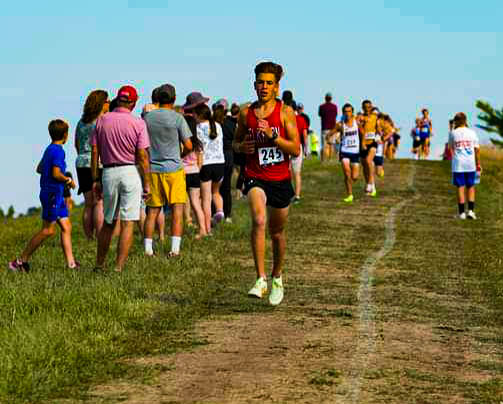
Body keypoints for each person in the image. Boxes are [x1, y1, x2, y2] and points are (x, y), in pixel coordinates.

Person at [233, 61, 300, 306]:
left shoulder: (285, 112)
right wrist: (242, 147)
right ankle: (260, 278)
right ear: (254, 84)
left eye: (269, 83)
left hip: (280, 180)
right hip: (255, 176)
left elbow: (295, 149)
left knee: (277, 233)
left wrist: (274, 137)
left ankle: (277, 277)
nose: (264, 86)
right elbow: (235, 143)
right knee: (259, 220)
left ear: (277, 87)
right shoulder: (245, 112)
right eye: (260, 82)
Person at [90, 85, 151, 272]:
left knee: (108, 222)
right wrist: (147, 183)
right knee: (128, 222)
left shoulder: (101, 121)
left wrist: (96, 179)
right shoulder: (138, 123)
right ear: (133, 102)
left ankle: (99, 264)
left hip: (108, 172)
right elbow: (142, 156)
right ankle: (118, 267)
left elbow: (95, 151)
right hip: (130, 172)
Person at [9, 119, 79, 272]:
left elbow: (39, 168)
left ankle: (71, 264)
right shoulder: (59, 151)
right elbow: (56, 173)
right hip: (52, 194)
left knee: (66, 226)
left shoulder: (49, 149)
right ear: (65, 135)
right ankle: (19, 262)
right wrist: (68, 180)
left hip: (56, 194)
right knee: (48, 230)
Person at [143, 84, 193, 257]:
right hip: (174, 169)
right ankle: (175, 249)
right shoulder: (178, 118)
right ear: (173, 98)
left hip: (154, 168)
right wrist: (180, 154)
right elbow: (189, 145)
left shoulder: (147, 118)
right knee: (177, 209)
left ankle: (148, 250)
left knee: (153, 211)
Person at [75, 89, 109, 240]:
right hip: (97, 163)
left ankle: (89, 237)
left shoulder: (81, 122)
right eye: (107, 101)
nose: (109, 104)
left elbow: (76, 143)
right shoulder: (102, 121)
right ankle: (100, 235)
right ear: (101, 104)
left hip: (81, 162)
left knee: (88, 203)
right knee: (99, 202)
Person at [193, 103, 225, 234]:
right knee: (216, 192)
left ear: (199, 115)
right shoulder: (217, 126)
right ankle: (220, 211)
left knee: (205, 199)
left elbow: (198, 149)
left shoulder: (198, 128)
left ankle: (207, 229)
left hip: (206, 164)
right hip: (220, 162)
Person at [448, 112, 481, 220]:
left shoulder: (453, 133)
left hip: (458, 164)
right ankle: (471, 211)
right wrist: (478, 164)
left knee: (460, 187)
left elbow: (451, 147)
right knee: (471, 186)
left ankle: (462, 213)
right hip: (470, 163)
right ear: (466, 121)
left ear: (456, 121)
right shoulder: (472, 133)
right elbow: (477, 150)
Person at [329, 103, 360, 202]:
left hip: (355, 151)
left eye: (349, 111)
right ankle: (350, 195)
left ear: (352, 112)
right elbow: (331, 133)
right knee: (347, 173)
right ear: (343, 113)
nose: (347, 113)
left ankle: (351, 182)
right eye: (345, 112)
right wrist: (329, 139)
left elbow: (363, 132)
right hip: (344, 151)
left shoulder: (357, 122)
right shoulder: (340, 124)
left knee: (354, 177)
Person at [182, 114, 207, 239]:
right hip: (195, 173)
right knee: (196, 203)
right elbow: (200, 162)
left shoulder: (181, 141)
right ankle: (203, 229)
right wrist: (196, 169)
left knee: (181, 203)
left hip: (182, 174)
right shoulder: (198, 143)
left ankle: (185, 224)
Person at [214, 98, 237, 222]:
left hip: (218, 156)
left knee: (215, 187)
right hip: (229, 155)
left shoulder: (215, 122)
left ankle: (216, 211)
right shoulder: (231, 123)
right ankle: (227, 214)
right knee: (226, 187)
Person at [357, 100, 378, 196]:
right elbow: (357, 127)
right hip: (362, 143)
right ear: (362, 108)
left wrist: (380, 135)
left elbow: (379, 128)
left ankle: (369, 184)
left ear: (371, 107)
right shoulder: (360, 117)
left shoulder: (375, 117)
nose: (367, 108)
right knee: (365, 166)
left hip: (372, 143)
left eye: (369, 106)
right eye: (365, 107)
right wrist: (360, 123)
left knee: (369, 161)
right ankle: (371, 185)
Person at [291, 101, 308, 203]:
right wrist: (306, 149)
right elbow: (305, 135)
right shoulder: (301, 119)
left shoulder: (285, 118)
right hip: (298, 146)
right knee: (297, 173)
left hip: (286, 145)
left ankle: (288, 194)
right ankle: (297, 196)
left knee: (286, 172)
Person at [318, 92, 338, 161]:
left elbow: (320, 115)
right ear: (331, 98)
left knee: (324, 144)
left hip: (324, 128)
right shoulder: (334, 107)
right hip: (333, 128)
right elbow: (335, 115)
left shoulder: (321, 107)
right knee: (331, 144)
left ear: (325, 98)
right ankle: (330, 159)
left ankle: (324, 159)